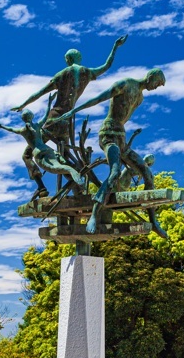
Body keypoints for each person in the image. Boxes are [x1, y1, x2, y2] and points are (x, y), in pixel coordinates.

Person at [52, 68, 167, 235]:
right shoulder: (125, 84)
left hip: (121, 138)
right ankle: (94, 214)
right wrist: (74, 111)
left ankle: (153, 221)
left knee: (147, 173)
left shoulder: (140, 98)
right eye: (157, 83)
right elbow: (99, 98)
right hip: (108, 134)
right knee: (114, 173)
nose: (156, 87)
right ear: (151, 77)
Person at [11, 36, 128, 151]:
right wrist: (115, 47)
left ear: (68, 59)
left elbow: (39, 93)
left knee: (29, 151)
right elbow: (106, 65)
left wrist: (23, 105)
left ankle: (36, 170)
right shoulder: (87, 73)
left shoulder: (62, 74)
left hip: (55, 117)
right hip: (67, 121)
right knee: (66, 155)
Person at [0, 110, 84, 199]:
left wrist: (1, 126)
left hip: (38, 152)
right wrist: (49, 103)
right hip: (48, 149)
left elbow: (11, 129)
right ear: (32, 117)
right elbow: (45, 116)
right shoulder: (37, 125)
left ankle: (67, 174)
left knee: (54, 168)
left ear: (23, 119)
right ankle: (75, 180)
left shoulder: (23, 130)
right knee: (62, 163)